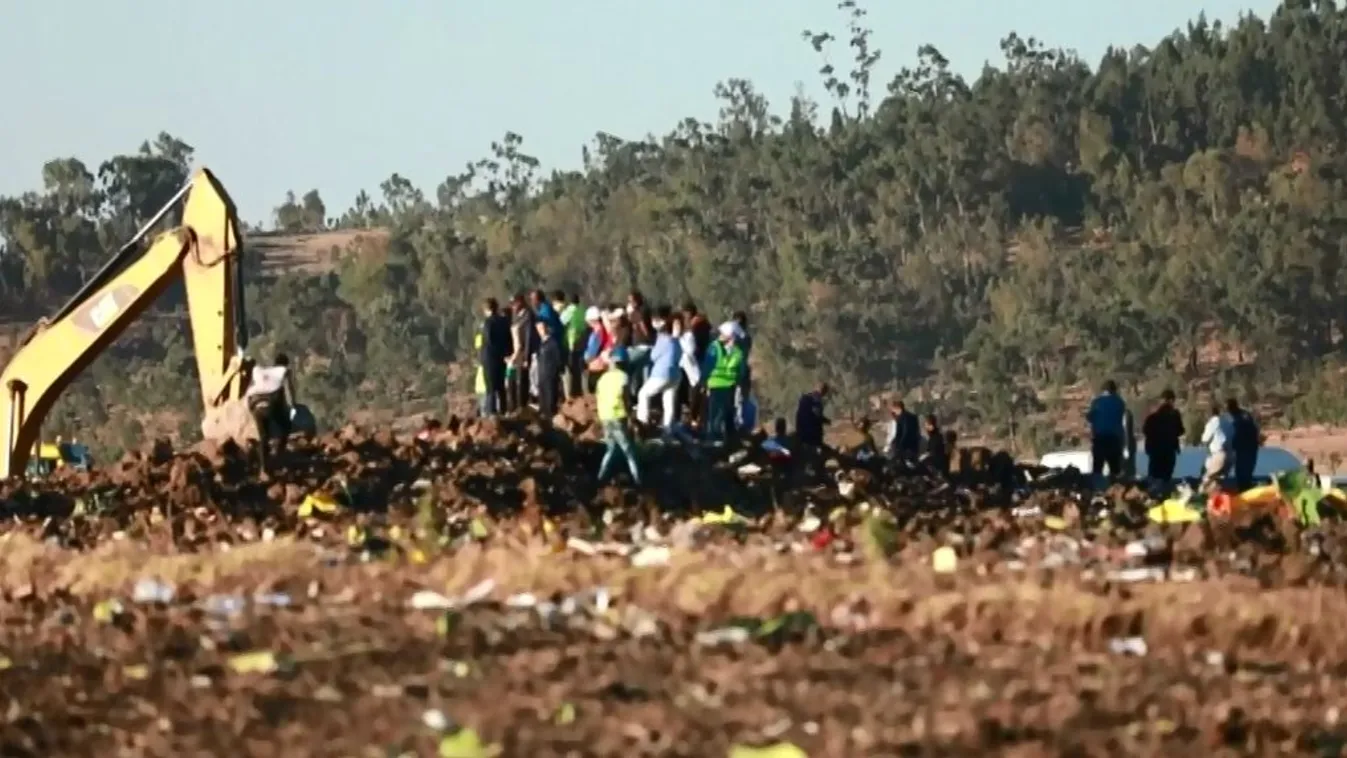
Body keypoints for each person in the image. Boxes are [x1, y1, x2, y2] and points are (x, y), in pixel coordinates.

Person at [595, 347, 642, 486]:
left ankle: (600, 477)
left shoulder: (602, 378)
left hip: (604, 416)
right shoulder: (623, 377)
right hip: (618, 416)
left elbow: (599, 397)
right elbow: (625, 399)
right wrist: (631, 417)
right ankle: (638, 480)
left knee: (610, 449)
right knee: (629, 451)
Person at [244, 352, 297, 476]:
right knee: (286, 426)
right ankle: (279, 457)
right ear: (285, 364)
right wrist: (293, 407)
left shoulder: (260, 371)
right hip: (270, 401)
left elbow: (249, 389)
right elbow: (289, 391)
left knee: (263, 436)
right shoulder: (284, 370)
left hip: (254, 402)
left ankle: (263, 469)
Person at [701, 322, 747, 445]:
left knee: (717, 414)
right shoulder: (736, 351)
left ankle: (715, 438)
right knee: (722, 413)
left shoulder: (715, 347)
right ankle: (722, 438)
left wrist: (703, 381)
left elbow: (707, 366)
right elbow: (741, 371)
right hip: (726, 386)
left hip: (718, 385)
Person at [637, 307, 682, 432]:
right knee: (669, 402)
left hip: (661, 373)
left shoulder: (663, 338)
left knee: (643, 394)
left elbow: (653, 356)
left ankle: (642, 423)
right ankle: (668, 429)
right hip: (676, 374)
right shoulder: (676, 341)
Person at [1085, 380, 1127, 480]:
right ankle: (1115, 486)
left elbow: (1089, 417)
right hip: (1114, 439)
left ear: (1103, 390)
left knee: (1097, 468)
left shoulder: (1097, 402)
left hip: (1100, 438)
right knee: (1115, 469)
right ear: (1114, 390)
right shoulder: (1120, 402)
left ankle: (1097, 486)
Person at [1141, 390, 1184, 481]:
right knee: (1166, 477)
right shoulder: (1175, 416)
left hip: (1155, 452)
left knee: (1153, 477)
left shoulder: (1152, 417)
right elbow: (1180, 431)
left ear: (1161, 400)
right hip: (1169, 451)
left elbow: (1145, 431)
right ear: (1172, 401)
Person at [478, 297, 511, 417]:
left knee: (490, 388)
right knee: (501, 386)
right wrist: (506, 353)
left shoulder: (488, 323)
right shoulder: (504, 321)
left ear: (486, 309)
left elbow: (488, 341)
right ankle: (504, 410)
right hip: (501, 358)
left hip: (489, 358)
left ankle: (491, 412)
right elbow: (509, 340)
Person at [506, 293, 534, 412]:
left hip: (523, 353)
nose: (513, 306)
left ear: (520, 302)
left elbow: (528, 337)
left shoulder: (528, 316)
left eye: (514, 303)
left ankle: (523, 406)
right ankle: (515, 406)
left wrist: (527, 356)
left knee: (522, 379)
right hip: (516, 353)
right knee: (513, 380)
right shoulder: (516, 316)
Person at [1227, 398, 1261, 490]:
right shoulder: (1245, 414)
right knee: (1247, 468)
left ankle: (1243, 487)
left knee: (1242, 468)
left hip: (1244, 445)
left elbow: (1236, 432)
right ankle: (1246, 485)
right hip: (1251, 445)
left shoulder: (1236, 418)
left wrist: (1231, 445)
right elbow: (1254, 428)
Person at [560, 292, 589, 400]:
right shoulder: (582, 311)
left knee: (570, 368)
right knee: (579, 368)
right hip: (582, 341)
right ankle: (581, 392)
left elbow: (561, 323)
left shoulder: (569, 311)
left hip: (570, 342)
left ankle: (571, 394)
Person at [534, 318, 563, 420]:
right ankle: (543, 414)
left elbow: (558, 359)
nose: (541, 331)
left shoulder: (552, 343)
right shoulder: (541, 343)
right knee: (542, 395)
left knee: (550, 395)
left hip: (550, 374)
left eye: (542, 328)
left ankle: (550, 415)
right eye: (538, 328)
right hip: (541, 373)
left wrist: (555, 372)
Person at [1200, 402, 1233, 491]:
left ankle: (1201, 495)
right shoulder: (1227, 422)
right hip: (1230, 456)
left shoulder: (1213, 422)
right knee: (1218, 481)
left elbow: (1205, 439)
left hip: (1219, 454)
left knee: (1206, 479)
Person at [794, 382, 830, 448]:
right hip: (811, 435)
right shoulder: (816, 400)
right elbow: (817, 416)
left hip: (801, 431)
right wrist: (827, 421)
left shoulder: (804, 398)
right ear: (823, 391)